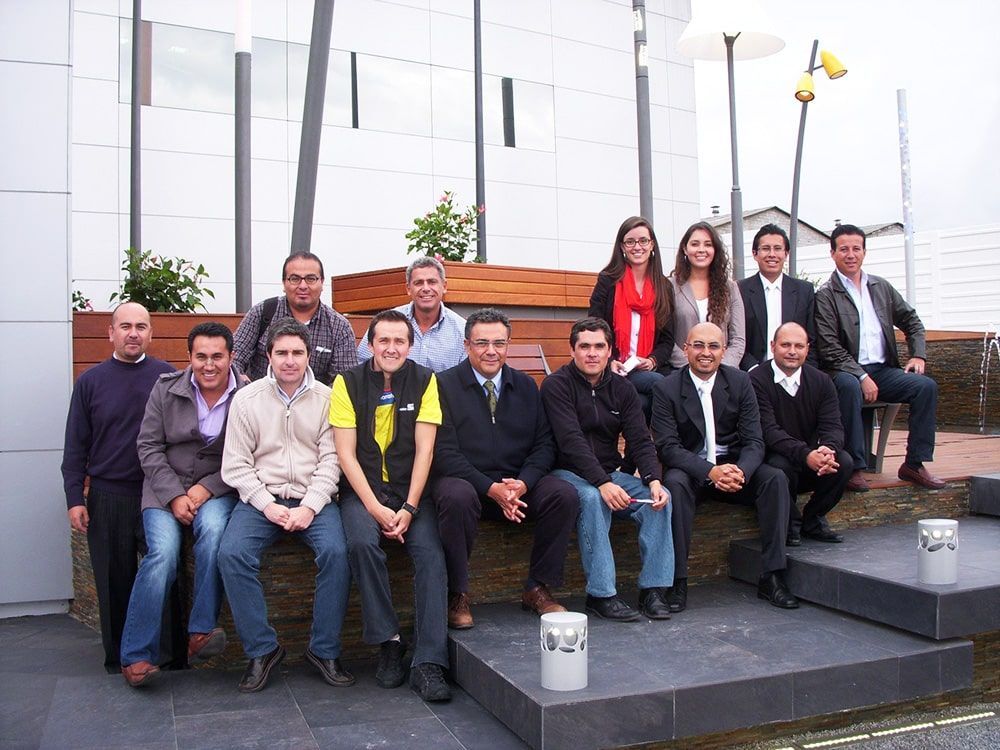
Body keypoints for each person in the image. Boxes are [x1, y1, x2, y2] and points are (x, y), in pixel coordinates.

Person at [219, 318, 351, 693]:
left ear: (309, 356)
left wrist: (309, 506)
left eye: (297, 352)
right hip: (261, 498)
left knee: (337, 553)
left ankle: (324, 650)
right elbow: (236, 465)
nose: (289, 360)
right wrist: (267, 505)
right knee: (231, 554)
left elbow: (332, 461)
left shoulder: (327, 398)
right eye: (282, 353)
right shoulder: (246, 399)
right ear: (268, 356)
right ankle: (262, 649)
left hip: (314, 498)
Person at [331, 310, 451, 702]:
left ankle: (429, 661)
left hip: (410, 492)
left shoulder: (425, 380)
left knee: (431, 556)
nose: (391, 348)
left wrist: (410, 507)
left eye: (400, 341)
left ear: (410, 346)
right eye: (383, 340)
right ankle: (389, 642)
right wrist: (374, 507)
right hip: (363, 492)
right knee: (361, 544)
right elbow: (345, 455)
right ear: (370, 345)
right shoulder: (346, 383)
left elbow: (425, 450)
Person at [432, 308, 578, 629]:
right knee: (454, 495)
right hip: (469, 486)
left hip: (516, 486)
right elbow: (444, 453)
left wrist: (523, 484)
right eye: (482, 343)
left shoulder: (525, 386)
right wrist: (490, 488)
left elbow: (544, 445)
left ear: (508, 345)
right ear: (466, 345)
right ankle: (457, 593)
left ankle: (537, 587)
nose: (491, 351)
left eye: (499, 343)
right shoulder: (443, 385)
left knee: (563, 494)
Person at [120, 322, 241, 687]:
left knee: (214, 533)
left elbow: (250, 455)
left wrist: (208, 488)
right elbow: (148, 446)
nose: (209, 365)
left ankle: (200, 631)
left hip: (217, 488)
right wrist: (174, 495)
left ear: (231, 357)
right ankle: (136, 654)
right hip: (163, 488)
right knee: (162, 553)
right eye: (201, 356)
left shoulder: (248, 395)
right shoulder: (165, 389)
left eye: (217, 356)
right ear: (189, 357)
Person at [61, 302, 176, 673]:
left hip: (156, 493)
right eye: (125, 326)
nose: (133, 333)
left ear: (150, 333)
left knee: (166, 572)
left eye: (141, 326)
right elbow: (75, 446)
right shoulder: (90, 382)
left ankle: (169, 656)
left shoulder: (166, 377)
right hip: (108, 494)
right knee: (114, 579)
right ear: (110, 332)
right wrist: (74, 498)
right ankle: (119, 659)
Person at [652, 322, 797, 612]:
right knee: (675, 485)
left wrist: (741, 471)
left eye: (713, 346)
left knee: (775, 478)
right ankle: (677, 580)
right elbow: (668, 447)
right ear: (686, 349)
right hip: (693, 470)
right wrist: (710, 472)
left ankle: (772, 576)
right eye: (698, 345)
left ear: (724, 351)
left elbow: (755, 440)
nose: (706, 352)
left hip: (733, 468)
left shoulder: (741, 382)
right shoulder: (666, 388)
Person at [540, 317, 673, 622]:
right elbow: (570, 441)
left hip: (608, 474)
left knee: (660, 499)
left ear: (610, 351)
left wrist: (653, 479)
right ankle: (601, 595)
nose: (592, 353)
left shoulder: (622, 388)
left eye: (599, 346)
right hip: (565, 473)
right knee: (592, 499)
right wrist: (602, 483)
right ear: (572, 350)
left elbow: (639, 438)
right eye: (584, 346)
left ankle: (653, 590)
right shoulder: (556, 386)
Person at [814, 224, 944, 492]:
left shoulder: (880, 287)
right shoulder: (826, 295)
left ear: (864, 252)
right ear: (832, 253)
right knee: (849, 386)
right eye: (844, 249)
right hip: (844, 371)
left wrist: (918, 354)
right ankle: (854, 467)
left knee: (925, 387)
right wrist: (861, 375)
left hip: (883, 371)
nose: (851, 254)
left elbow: (912, 321)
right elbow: (829, 347)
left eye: (856, 249)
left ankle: (914, 463)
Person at [750, 323, 850, 547]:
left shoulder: (821, 381)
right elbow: (768, 431)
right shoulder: (755, 380)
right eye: (785, 345)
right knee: (778, 467)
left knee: (843, 462)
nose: (792, 351)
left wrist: (828, 449)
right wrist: (805, 454)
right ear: (773, 346)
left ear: (807, 349)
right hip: (773, 455)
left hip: (810, 457)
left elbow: (833, 425)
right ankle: (789, 522)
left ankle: (813, 519)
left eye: (799, 346)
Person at [588, 216, 675, 419]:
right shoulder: (608, 280)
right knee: (659, 385)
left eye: (643, 240)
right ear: (622, 247)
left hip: (646, 369)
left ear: (652, 245)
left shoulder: (664, 287)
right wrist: (609, 361)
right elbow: (594, 328)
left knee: (644, 402)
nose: (637, 247)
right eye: (630, 241)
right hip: (614, 368)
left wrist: (652, 360)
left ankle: (645, 441)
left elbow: (667, 339)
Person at [232, 251, 357, 386]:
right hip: (262, 396)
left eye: (311, 279)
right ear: (284, 283)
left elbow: (345, 380)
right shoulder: (263, 313)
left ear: (322, 283)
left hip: (316, 398)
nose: (303, 286)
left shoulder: (339, 326)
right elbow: (234, 358)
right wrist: (244, 386)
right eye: (295, 279)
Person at [357, 256, 466, 372]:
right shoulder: (385, 323)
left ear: (444, 286)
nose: (426, 288)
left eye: (432, 282)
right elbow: (362, 365)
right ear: (408, 288)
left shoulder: (462, 330)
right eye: (418, 283)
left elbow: (466, 376)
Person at [738, 224, 817, 371]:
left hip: (795, 372)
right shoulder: (739, 290)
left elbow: (812, 339)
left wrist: (803, 373)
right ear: (755, 254)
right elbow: (736, 338)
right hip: (752, 373)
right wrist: (753, 369)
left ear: (786, 254)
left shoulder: (804, 291)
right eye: (765, 248)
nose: (772, 254)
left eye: (778, 248)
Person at [668, 221, 746, 370]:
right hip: (681, 371)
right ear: (685, 248)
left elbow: (738, 339)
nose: (701, 250)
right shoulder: (670, 286)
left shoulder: (730, 288)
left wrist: (718, 369)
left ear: (715, 250)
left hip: (723, 372)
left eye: (708, 244)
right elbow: (666, 339)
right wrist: (693, 368)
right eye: (695, 244)